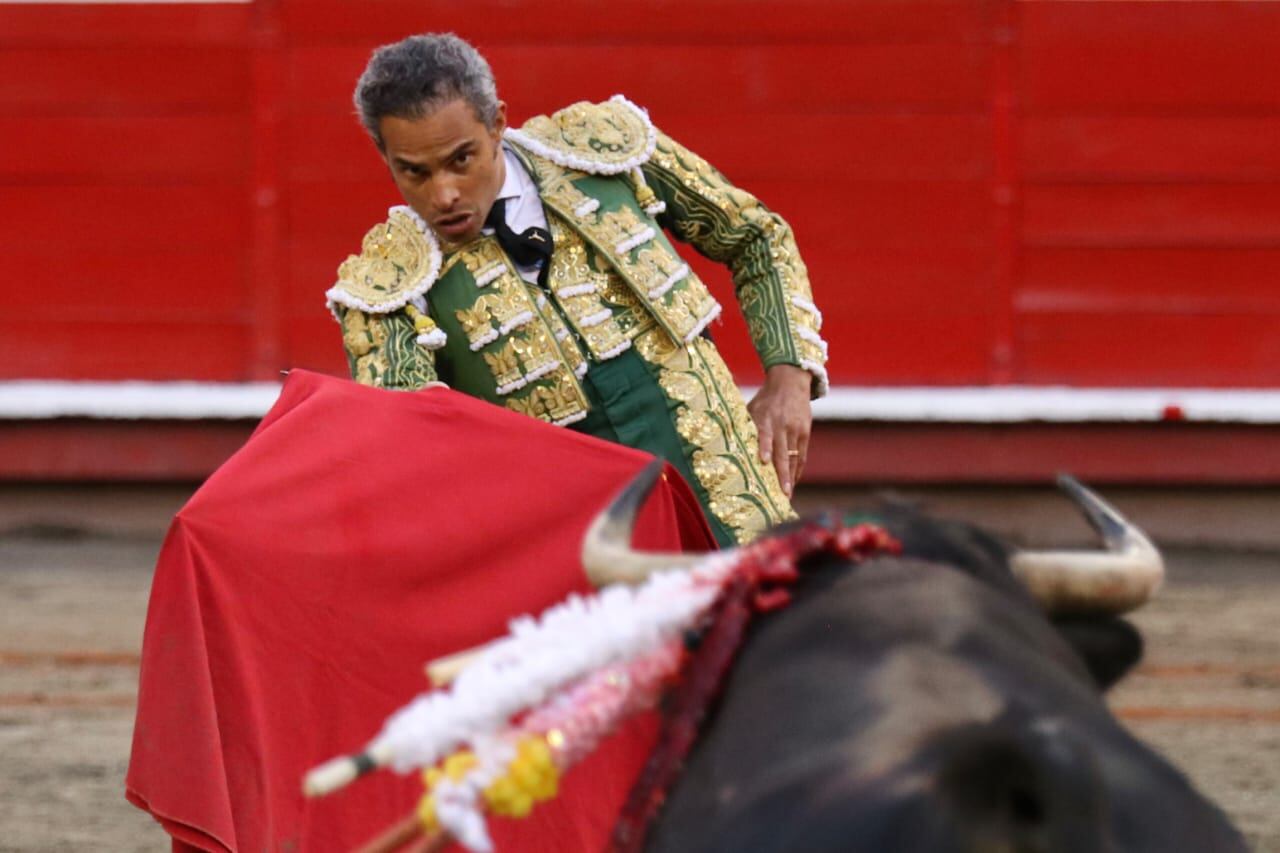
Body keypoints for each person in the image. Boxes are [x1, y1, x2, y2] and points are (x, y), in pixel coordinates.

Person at [330, 33, 829, 547]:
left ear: (497, 123)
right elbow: (413, 442)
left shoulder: (603, 151)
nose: (444, 193)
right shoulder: (386, 290)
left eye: (462, 159)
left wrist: (789, 377)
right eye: (414, 172)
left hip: (728, 490)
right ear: (382, 153)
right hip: (576, 543)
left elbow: (754, 235)